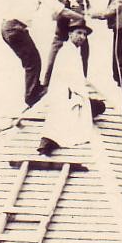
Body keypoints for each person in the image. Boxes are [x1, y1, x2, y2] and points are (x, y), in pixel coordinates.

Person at [37, 21, 105, 155]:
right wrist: (77, 94)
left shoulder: (74, 51)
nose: (82, 37)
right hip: (65, 94)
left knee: (98, 106)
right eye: (79, 33)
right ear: (70, 34)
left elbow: (77, 79)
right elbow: (65, 78)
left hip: (73, 93)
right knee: (62, 119)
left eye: (84, 34)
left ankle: (50, 141)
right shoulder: (66, 51)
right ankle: (47, 143)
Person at [0, 0, 46, 108]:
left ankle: (34, 89)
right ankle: (32, 95)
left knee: (30, 60)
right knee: (33, 61)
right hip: (15, 27)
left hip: (7, 27)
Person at [42, 0, 89, 86]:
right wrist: (63, 7)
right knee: (51, 63)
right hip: (61, 37)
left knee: (82, 61)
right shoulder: (58, 3)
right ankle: (46, 86)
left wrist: (82, 6)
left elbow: (87, 10)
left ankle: (82, 84)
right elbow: (54, 16)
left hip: (77, 35)